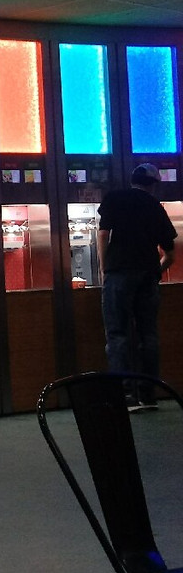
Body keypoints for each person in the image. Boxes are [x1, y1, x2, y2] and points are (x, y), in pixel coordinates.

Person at [97, 163, 176, 411]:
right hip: (147, 275)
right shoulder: (156, 207)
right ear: (153, 185)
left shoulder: (115, 198)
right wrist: (155, 271)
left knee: (117, 335)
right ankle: (148, 395)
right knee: (148, 335)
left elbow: (103, 234)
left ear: (132, 180)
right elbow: (171, 255)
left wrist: (105, 267)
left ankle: (126, 395)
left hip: (118, 272)